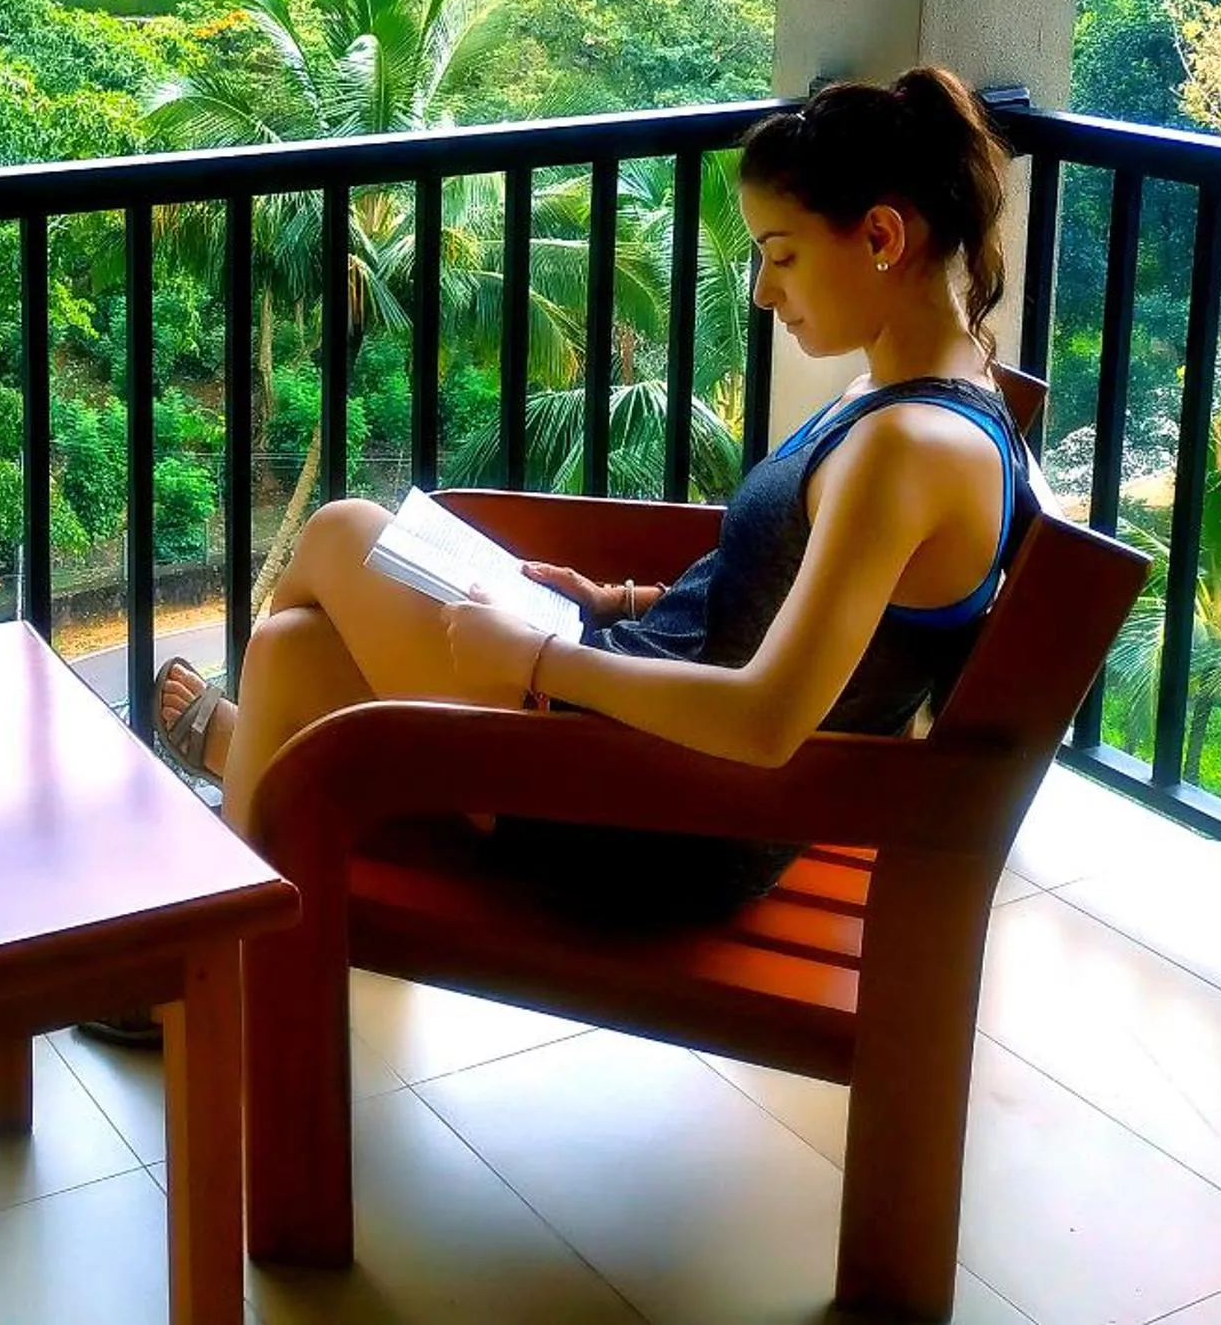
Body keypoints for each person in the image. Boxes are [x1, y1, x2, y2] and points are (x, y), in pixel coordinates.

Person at [151, 64, 1033, 922]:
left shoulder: (908, 448)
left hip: (664, 816)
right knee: (288, 653)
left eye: (783, 256)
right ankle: (234, 953)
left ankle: (213, 937)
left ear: (882, 237)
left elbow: (768, 721)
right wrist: (617, 598)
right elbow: (796, 603)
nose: (764, 291)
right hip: (644, 728)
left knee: (345, 533)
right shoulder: (915, 391)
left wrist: (536, 662)